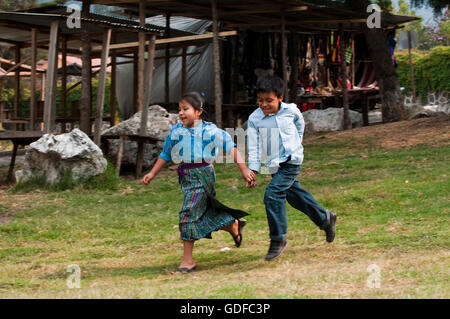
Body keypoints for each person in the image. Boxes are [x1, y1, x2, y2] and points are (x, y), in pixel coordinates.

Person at [142, 92, 255, 273]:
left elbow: (231, 147)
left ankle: (188, 262)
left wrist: (244, 169)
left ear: (198, 112)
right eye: (179, 109)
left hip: (203, 174)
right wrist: (152, 173)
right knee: (202, 213)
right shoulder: (176, 132)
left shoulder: (210, 131)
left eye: (186, 109)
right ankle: (232, 224)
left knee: (188, 213)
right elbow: (165, 154)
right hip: (186, 176)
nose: (181, 113)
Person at [246, 75, 337, 261]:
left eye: (269, 100)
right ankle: (325, 218)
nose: (264, 104)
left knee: (272, 194)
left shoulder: (291, 111)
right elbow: (253, 146)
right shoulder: (254, 119)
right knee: (294, 197)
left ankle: (278, 239)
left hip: (291, 160)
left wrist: (296, 143)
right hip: (273, 164)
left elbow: (299, 124)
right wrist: (253, 170)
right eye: (260, 100)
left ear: (280, 97)